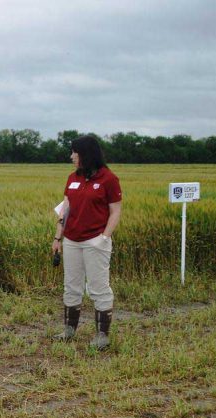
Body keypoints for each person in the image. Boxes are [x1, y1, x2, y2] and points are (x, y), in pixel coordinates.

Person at [51, 135, 122, 350]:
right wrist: (57, 237)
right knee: (71, 286)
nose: (71, 156)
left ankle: (102, 335)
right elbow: (65, 210)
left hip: (95, 242)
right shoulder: (73, 178)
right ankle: (69, 330)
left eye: (75, 152)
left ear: (86, 154)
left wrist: (104, 238)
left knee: (98, 288)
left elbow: (115, 211)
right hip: (72, 240)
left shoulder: (108, 179)